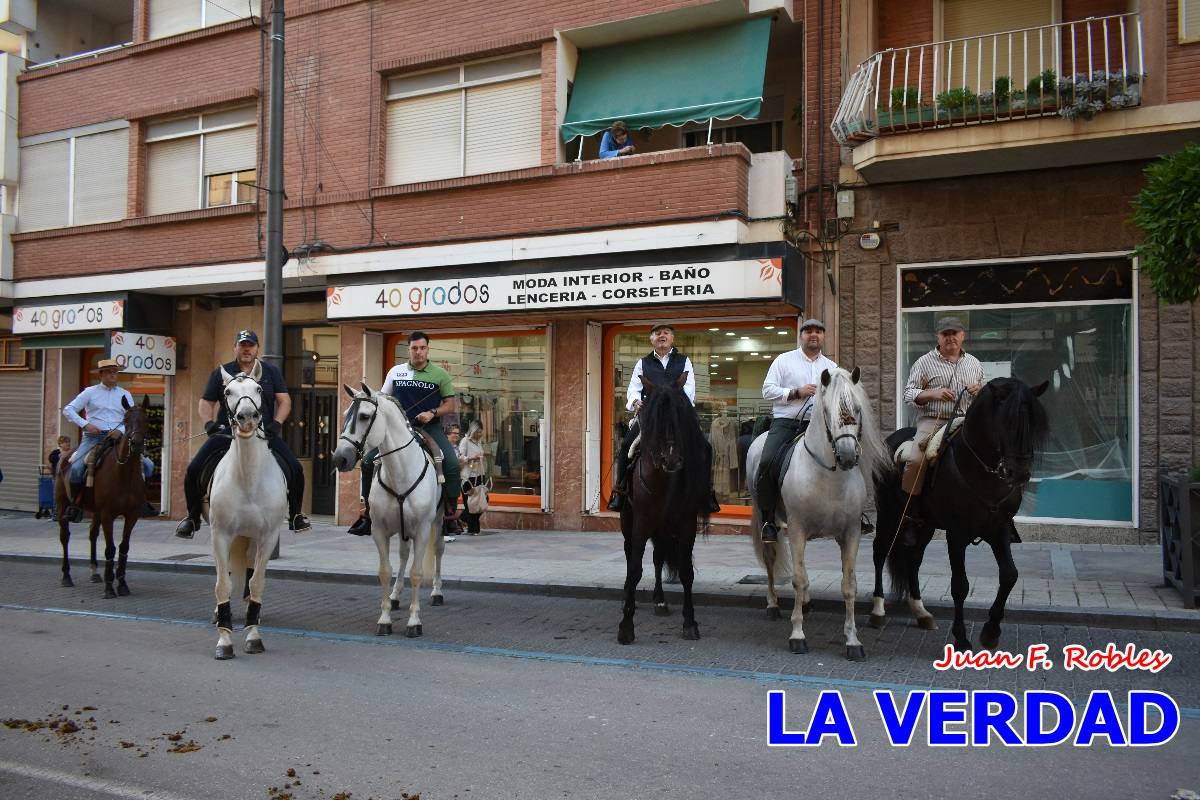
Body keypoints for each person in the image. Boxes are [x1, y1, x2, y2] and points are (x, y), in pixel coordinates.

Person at [174, 330, 310, 539]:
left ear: (257, 348)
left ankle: (295, 515)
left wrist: (276, 423)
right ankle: (192, 518)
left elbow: (284, 401)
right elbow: (206, 402)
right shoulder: (221, 372)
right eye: (242, 345)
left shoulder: (270, 372)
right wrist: (209, 423)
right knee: (193, 469)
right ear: (235, 347)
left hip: (263, 433)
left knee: (295, 469)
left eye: (251, 345)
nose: (246, 349)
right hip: (227, 434)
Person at [348, 331, 460, 537]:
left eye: (422, 348)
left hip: (429, 428)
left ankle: (450, 514)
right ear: (408, 350)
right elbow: (383, 398)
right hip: (398, 429)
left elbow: (450, 404)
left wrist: (432, 412)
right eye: (414, 348)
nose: (418, 352)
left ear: (428, 349)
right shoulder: (395, 372)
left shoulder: (440, 374)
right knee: (366, 462)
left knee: (452, 464)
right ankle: (368, 513)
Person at [606, 322, 720, 513]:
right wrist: (635, 402)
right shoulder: (642, 363)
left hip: (679, 416)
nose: (662, 336)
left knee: (705, 448)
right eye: (657, 333)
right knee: (626, 445)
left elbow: (689, 389)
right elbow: (633, 389)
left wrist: (677, 405)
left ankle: (707, 493)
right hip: (650, 416)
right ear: (651, 339)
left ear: (672, 338)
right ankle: (620, 493)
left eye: (666, 332)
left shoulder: (684, 361)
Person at [755, 319, 838, 543]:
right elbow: (767, 390)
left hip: (819, 425)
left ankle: (851, 514)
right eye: (808, 331)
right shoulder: (784, 360)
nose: (814, 335)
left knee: (848, 455)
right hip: (787, 422)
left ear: (823, 336)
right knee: (767, 462)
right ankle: (768, 520)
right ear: (801, 335)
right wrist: (795, 392)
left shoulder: (832, 367)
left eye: (819, 331)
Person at [900, 315, 985, 497]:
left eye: (954, 333)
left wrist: (980, 392)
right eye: (945, 333)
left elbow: (983, 395)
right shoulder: (923, 362)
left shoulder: (974, 363)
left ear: (962, 335)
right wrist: (933, 393)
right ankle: (910, 511)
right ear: (937, 337)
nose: (950, 337)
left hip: (967, 421)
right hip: (933, 421)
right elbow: (908, 394)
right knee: (915, 460)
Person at [61, 359, 155, 523]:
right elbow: (69, 410)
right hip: (94, 438)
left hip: (119, 438)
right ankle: (75, 505)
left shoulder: (125, 394)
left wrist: (121, 431)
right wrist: (86, 424)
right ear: (101, 374)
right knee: (76, 468)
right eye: (109, 371)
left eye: (115, 371)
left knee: (148, 465)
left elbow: (132, 419)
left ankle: (141, 501)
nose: (113, 374)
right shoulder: (89, 392)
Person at [458, 420, 487, 535]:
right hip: (468, 476)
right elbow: (460, 457)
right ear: (473, 430)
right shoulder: (465, 441)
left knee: (482, 499)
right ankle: (473, 528)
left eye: (481, 432)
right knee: (470, 503)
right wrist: (471, 458)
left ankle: (465, 519)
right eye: (478, 432)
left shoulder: (479, 442)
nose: (479, 434)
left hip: (479, 474)